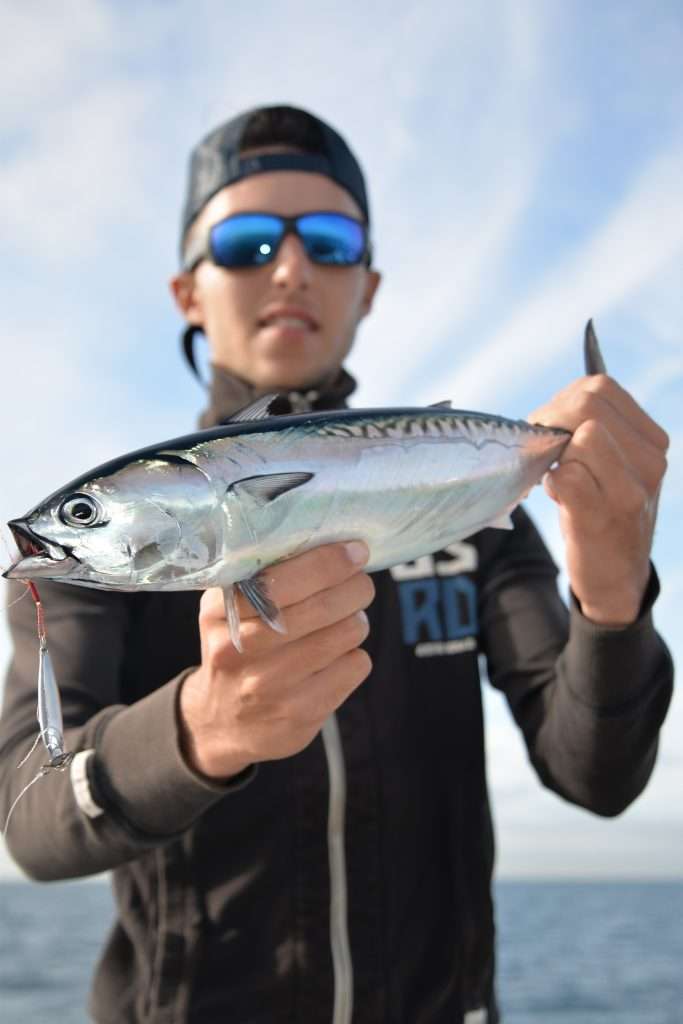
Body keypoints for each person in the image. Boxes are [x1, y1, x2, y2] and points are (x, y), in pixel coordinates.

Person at [0, 105, 673, 1024]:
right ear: (186, 291)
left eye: (327, 239)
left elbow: (595, 775)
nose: (289, 267)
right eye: (242, 242)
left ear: (369, 285)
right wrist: (201, 730)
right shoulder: (99, 569)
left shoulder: (478, 518)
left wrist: (611, 593)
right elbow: (30, 819)